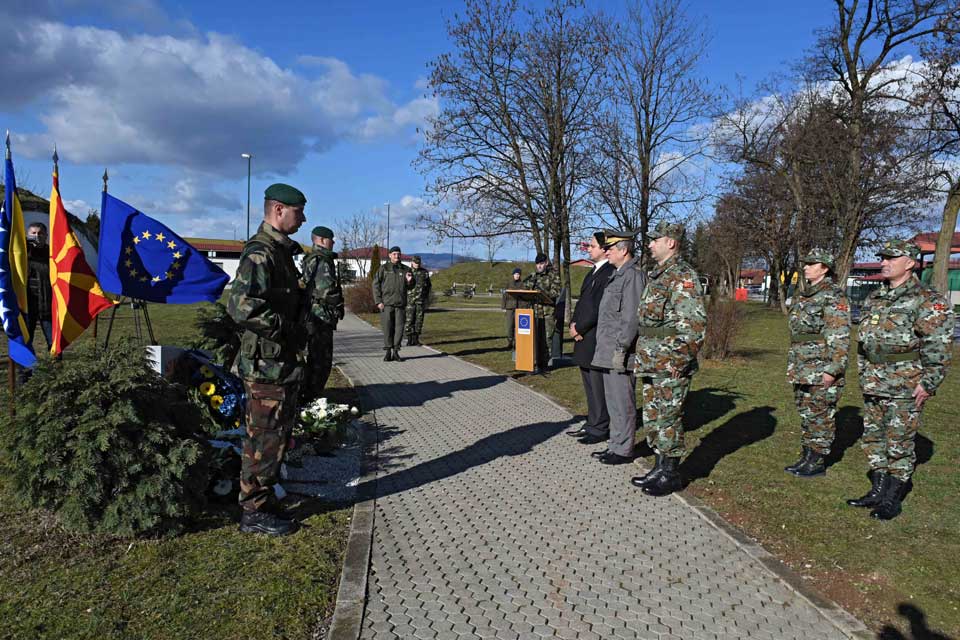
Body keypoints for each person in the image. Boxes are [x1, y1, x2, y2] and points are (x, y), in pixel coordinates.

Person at [847, 239, 954, 520]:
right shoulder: (875, 297)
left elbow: (938, 345)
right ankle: (877, 490)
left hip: (905, 384)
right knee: (874, 439)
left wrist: (929, 383)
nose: (884, 262)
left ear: (909, 262)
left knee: (899, 442)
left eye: (891, 258)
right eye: (883, 257)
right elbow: (864, 343)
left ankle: (893, 497)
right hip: (874, 381)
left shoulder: (927, 299)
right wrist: (864, 374)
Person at [227, 183, 308, 536]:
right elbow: (241, 305)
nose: (303, 219)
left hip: (278, 364)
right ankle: (253, 512)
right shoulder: (261, 253)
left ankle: (263, 499)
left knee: (275, 435)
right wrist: (286, 330)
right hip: (265, 366)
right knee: (263, 437)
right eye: (298, 212)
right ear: (278, 210)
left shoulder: (280, 252)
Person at [631, 221, 706, 497]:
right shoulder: (660, 275)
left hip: (670, 362)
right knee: (653, 416)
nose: (650, 244)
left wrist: (680, 360)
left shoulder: (682, 276)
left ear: (671, 242)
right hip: (652, 360)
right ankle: (659, 467)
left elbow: (694, 325)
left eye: (655, 240)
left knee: (669, 417)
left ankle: (671, 474)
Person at [784, 248, 850, 478]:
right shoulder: (806, 294)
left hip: (821, 365)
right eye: (806, 263)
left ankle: (817, 461)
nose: (805, 267)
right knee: (806, 412)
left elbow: (840, 335)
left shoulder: (833, 295)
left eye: (811, 264)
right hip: (801, 364)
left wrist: (833, 369)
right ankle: (807, 456)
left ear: (825, 268)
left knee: (821, 414)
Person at [585, 231, 647, 466]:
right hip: (608, 350)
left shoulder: (632, 276)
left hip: (620, 352)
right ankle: (616, 444)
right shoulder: (618, 275)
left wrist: (621, 349)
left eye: (611, 247)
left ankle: (623, 449)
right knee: (613, 401)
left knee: (622, 402)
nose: (606, 250)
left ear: (623, 250)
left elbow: (631, 318)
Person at [566, 232, 616, 443]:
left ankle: (600, 427)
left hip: (594, 337)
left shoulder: (608, 273)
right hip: (583, 336)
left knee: (597, 386)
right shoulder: (593, 272)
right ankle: (592, 422)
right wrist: (572, 324)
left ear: (605, 249)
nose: (588, 248)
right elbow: (583, 303)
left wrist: (581, 328)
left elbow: (598, 308)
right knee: (588, 384)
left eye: (592, 245)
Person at [301, 225, 344, 402]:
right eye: (331, 240)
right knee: (321, 360)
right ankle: (312, 397)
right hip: (320, 316)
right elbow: (327, 290)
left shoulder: (310, 258)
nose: (333, 243)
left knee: (314, 357)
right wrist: (339, 304)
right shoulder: (322, 261)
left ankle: (309, 394)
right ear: (322, 240)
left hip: (312, 314)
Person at [522, 253, 561, 372]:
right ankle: (533, 362)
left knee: (546, 338)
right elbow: (525, 287)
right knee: (534, 338)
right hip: (534, 312)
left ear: (546, 263)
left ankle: (544, 364)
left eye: (541, 263)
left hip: (547, 312)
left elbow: (556, 291)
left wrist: (542, 293)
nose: (539, 266)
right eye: (537, 264)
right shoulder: (533, 276)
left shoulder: (553, 275)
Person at [373, 246, 413, 362]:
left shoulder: (405, 269)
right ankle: (388, 352)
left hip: (400, 304)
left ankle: (396, 352)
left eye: (398, 254)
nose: (397, 256)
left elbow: (410, 286)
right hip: (386, 304)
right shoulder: (384, 268)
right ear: (390, 255)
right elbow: (375, 285)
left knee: (399, 329)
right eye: (394, 254)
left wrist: (410, 281)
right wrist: (378, 301)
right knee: (387, 328)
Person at [25, 222, 53, 350]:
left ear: (46, 235)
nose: (37, 236)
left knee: (53, 341)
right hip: (27, 306)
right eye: (33, 233)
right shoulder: (21, 254)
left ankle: (55, 367)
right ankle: (25, 369)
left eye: (40, 233)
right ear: (27, 235)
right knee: (26, 340)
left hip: (47, 305)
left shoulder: (52, 254)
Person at [404, 255, 432, 346]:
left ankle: (416, 339)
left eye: (418, 263)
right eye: (415, 263)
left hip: (420, 300)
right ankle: (409, 339)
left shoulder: (424, 272)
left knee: (419, 320)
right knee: (409, 320)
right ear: (412, 262)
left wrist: (426, 297)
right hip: (410, 300)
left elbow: (428, 286)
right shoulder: (407, 272)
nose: (417, 264)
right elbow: (404, 286)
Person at [502, 267, 523, 349]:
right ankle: (509, 342)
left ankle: (516, 343)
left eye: (518, 274)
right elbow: (504, 295)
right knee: (510, 326)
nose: (517, 276)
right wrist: (503, 307)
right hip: (510, 307)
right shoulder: (508, 284)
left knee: (518, 326)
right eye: (515, 274)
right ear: (513, 275)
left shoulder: (522, 284)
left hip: (519, 307)